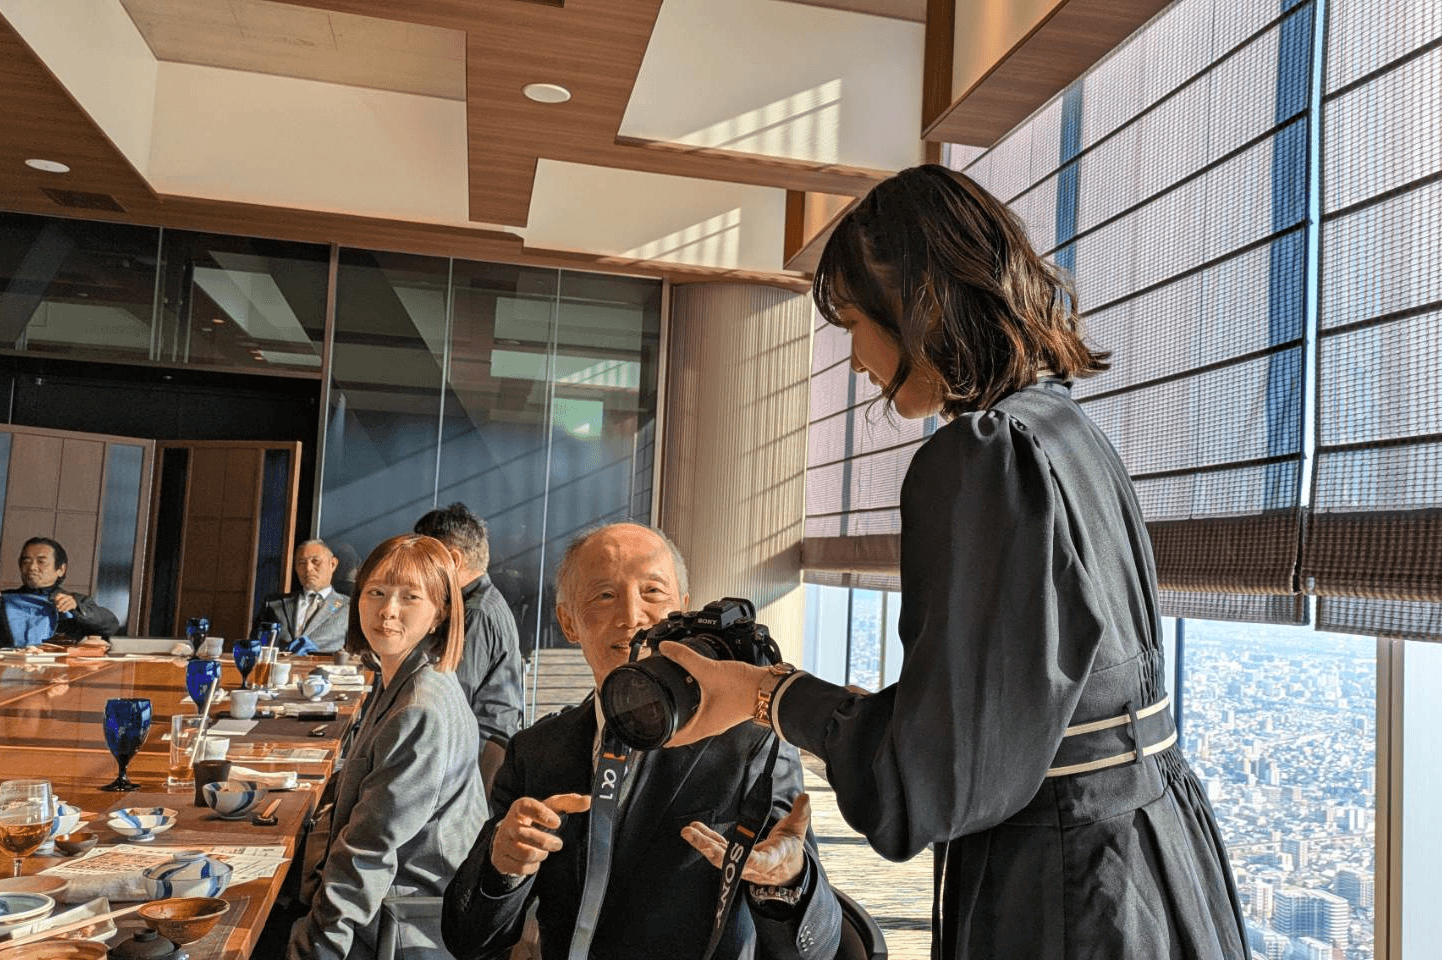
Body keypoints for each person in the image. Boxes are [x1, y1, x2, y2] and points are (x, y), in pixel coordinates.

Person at [657, 165, 1249, 959]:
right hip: (1158, 859)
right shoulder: (1068, 434)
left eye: (855, 322)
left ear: (919, 304)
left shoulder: (981, 457)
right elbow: (1018, 712)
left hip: (1063, 892)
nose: (855, 359)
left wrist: (764, 694)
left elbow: (928, 784)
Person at [441, 522, 841, 960]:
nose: (632, 617)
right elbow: (469, 940)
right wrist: (502, 868)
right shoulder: (535, 752)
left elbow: (817, 949)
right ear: (568, 621)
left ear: (683, 611)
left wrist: (786, 881)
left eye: (652, 592)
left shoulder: (749, 742)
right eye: (604, 595)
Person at [290, 534, 487, 960]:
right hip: (380, 905)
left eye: (410, 597)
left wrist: (314, 949)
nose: (387, 610)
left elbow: (368, 854)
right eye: (376, 592)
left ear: (440, 613)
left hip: (399, 926)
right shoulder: (403, 676)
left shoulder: (420, 708)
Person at [412, 503, 525, 784]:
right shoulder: (477, 603)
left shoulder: (475, 613)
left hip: (472, 759)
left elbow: (451, 697)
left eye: (424, 559)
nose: (417, 569)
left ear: (453, 559)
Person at [0, 537, 120, 646]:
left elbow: (110, 625)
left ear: (61, 569)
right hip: (7, 672)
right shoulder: (1, 600)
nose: (32, 567)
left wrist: (78, 609)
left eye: (41, 562)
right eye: (26, 561)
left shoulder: (74, 601)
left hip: (58, 674)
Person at [259, 540, 350, 653]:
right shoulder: (274, 604)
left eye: (315, 561)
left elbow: (357, 653)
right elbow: (258, 645)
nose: (308, 568)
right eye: (302, 563)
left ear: (333, 564)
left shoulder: (349, 607)